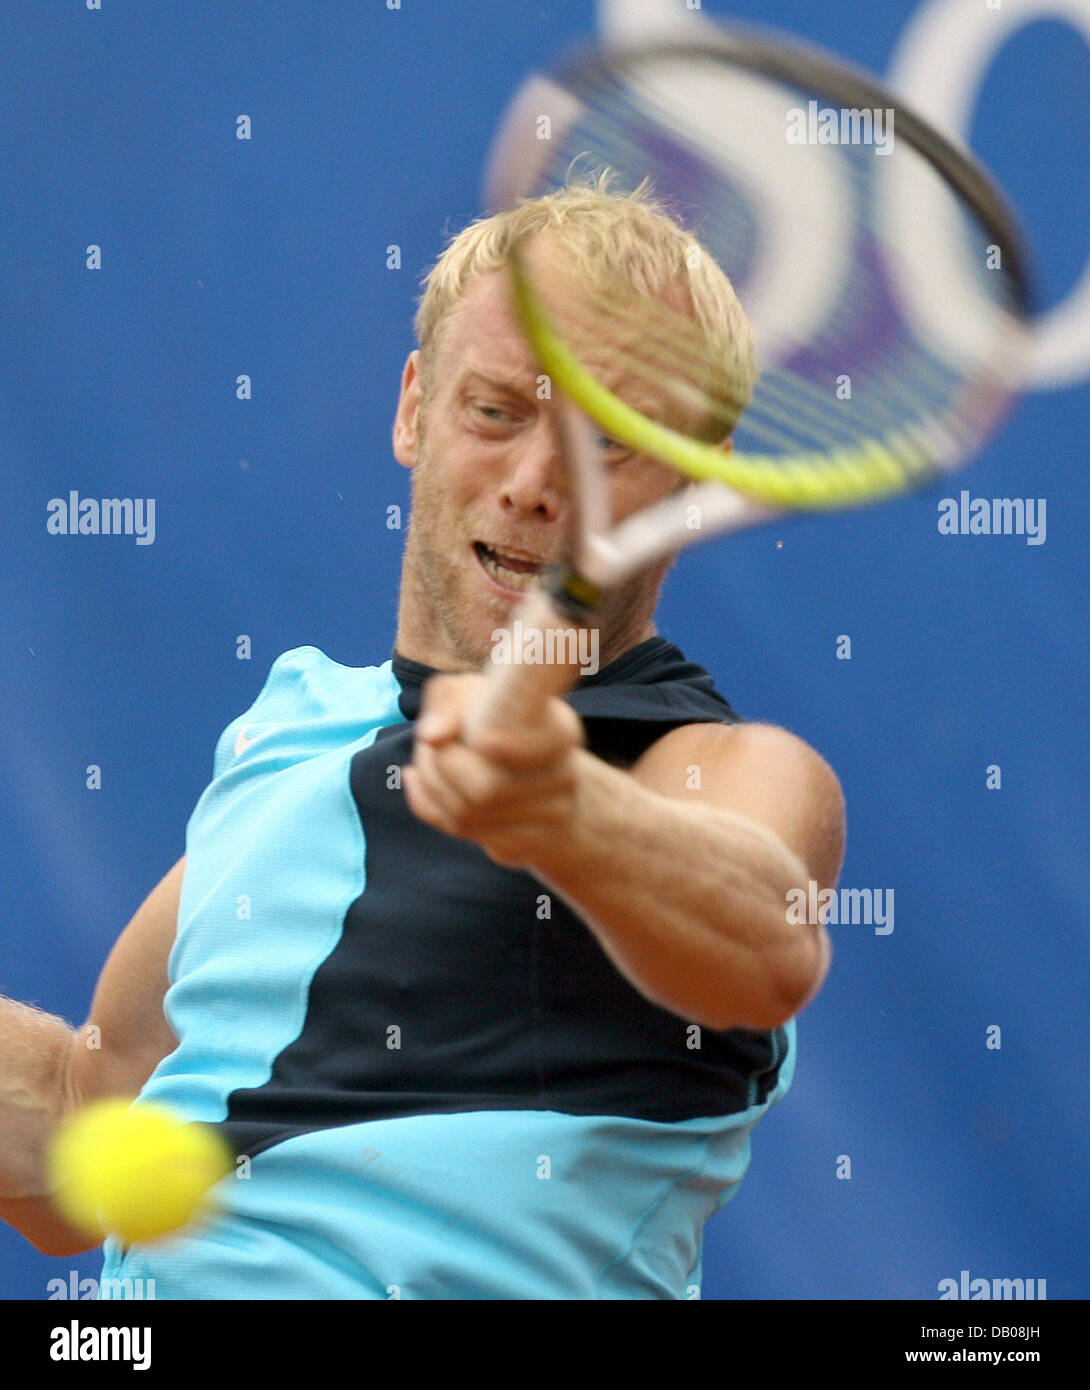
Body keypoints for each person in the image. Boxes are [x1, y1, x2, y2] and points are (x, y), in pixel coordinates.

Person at [0, 179, 843, 1299]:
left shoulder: (713, 767)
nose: (538, 483)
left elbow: (762, 950)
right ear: (413, 409)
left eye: (611, 443)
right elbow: (83, 1125)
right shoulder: (289, 741)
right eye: (495, 411)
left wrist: (561, 812)